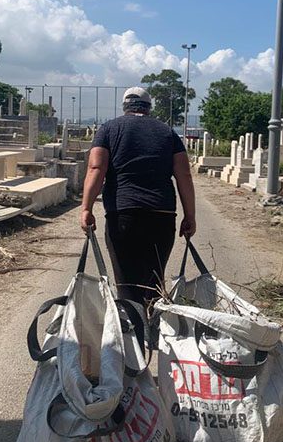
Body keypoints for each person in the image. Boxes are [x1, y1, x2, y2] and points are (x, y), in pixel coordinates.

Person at [80, 86, 196, 307]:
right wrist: (190, 216)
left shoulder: (109, 129)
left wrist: (86, 208)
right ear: (148, 108)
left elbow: (96, 168)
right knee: (154, 285)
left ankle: (132, 325)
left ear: (125, 107)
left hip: (123, 215)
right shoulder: (167, 132)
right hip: (162, 216)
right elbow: (184, 174)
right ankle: (154, 325)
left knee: (127, 286)